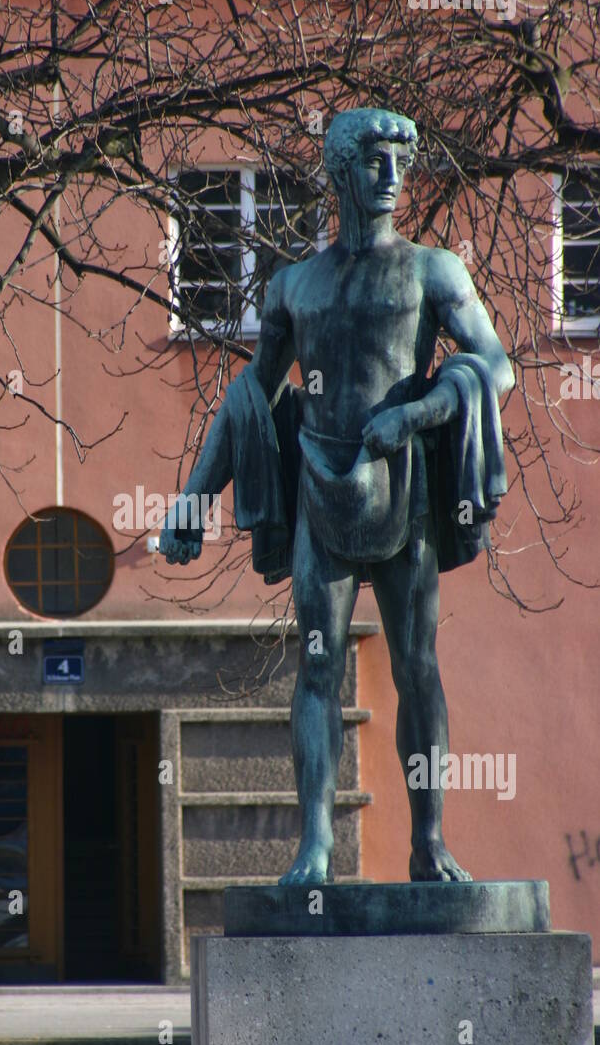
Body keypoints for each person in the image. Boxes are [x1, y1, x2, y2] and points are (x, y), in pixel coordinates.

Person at [159, 108, 514, 885]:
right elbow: (249, 401)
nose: (391, 176)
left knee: (417, 667)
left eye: (399, 162)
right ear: (340, 169)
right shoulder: (296, 286)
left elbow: (495, 365)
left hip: (405, 490)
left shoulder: (434, 271)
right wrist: (193, 499)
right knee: (317, 668)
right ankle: (315, 847)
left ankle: (429, 842)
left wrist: (417, 413)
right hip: (322, 492)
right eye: (374, 160)